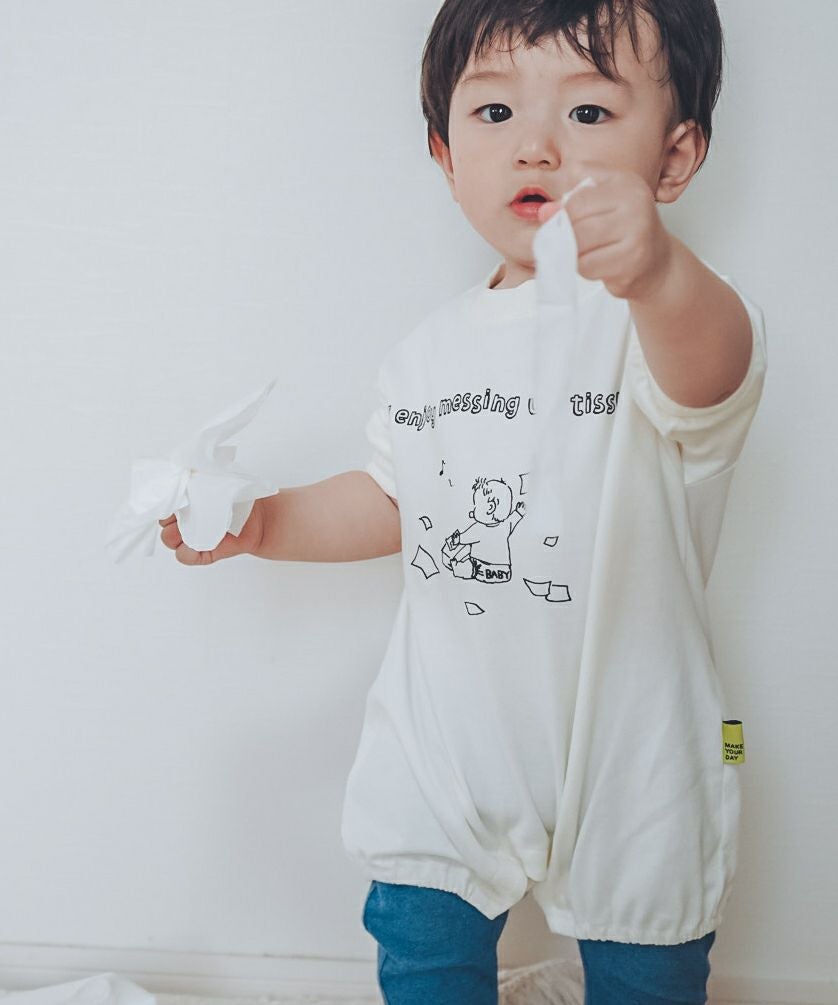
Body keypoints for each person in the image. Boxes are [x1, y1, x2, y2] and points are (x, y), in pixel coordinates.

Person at [159, 1, 768, 1001]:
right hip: (448, 740)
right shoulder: (428, 353)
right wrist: (261, 522)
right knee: (421, 937)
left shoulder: (665, 318)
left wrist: (659, 271)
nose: (535, 145)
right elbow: (396, 498)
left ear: (673, 157)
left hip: (630, 741)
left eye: (587, 113)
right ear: (444, 155)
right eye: (493, 113)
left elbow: (713, 374)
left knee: (648, 949)